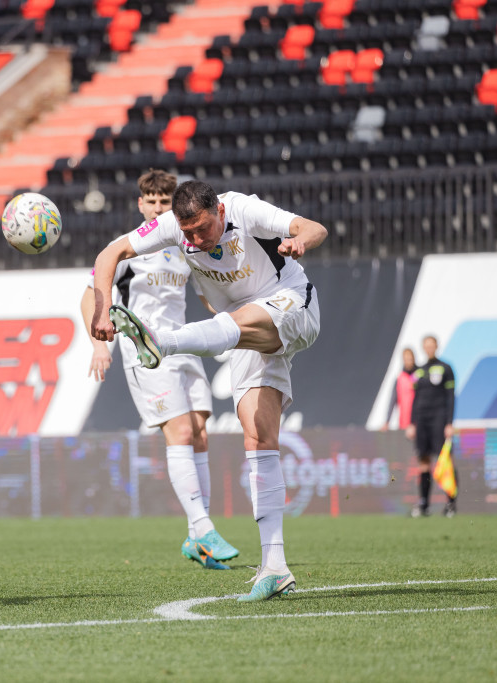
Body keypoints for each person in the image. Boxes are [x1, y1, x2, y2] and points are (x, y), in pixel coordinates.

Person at [90, 180, 327, 602]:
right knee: (258, 438)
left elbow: (314, 227)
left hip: (292, 303)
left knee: (230, 326)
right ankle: (275, 566)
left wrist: (299, 242)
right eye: (189, 233)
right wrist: (102, 309)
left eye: (202, 228)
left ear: (218, 210)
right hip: (241, 330)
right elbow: (110, 253)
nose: (196, 240)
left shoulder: (244, 209)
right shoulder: (172, 227)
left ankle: (162, 342)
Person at [80, 170, 239, 570]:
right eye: (150, 201)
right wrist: (98, 343)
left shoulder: (185, 246)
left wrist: (236, 322)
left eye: (164, 202)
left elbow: (207, 297)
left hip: (182, 344)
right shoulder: (129, 249)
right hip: (145, 350)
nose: (156, 208)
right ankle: (203, 528)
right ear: (140, 204)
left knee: (199, 432)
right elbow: (89, 296)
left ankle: (196, 538)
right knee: (180, 432)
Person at [405, 335, 456, 518]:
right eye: (426, 346)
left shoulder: (445, 368)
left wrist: (449, 422)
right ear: (423, 348)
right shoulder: (419, 371)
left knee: (445, 461)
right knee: (423, 461)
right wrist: (412, 423)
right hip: (422, 420)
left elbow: (450, 397)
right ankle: (424, 504)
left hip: (439, 419)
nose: (429, 348)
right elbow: (415, 399)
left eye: (432, 345)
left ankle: (451, 503)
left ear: (436, 346)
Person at [381, 347, 416, 432]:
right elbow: (392, 401)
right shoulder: (399, 379)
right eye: (406, 359)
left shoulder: (418, 377)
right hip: (404, 423)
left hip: (418, 423)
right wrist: (387, 421)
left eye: (410, 359)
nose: (408, 362)